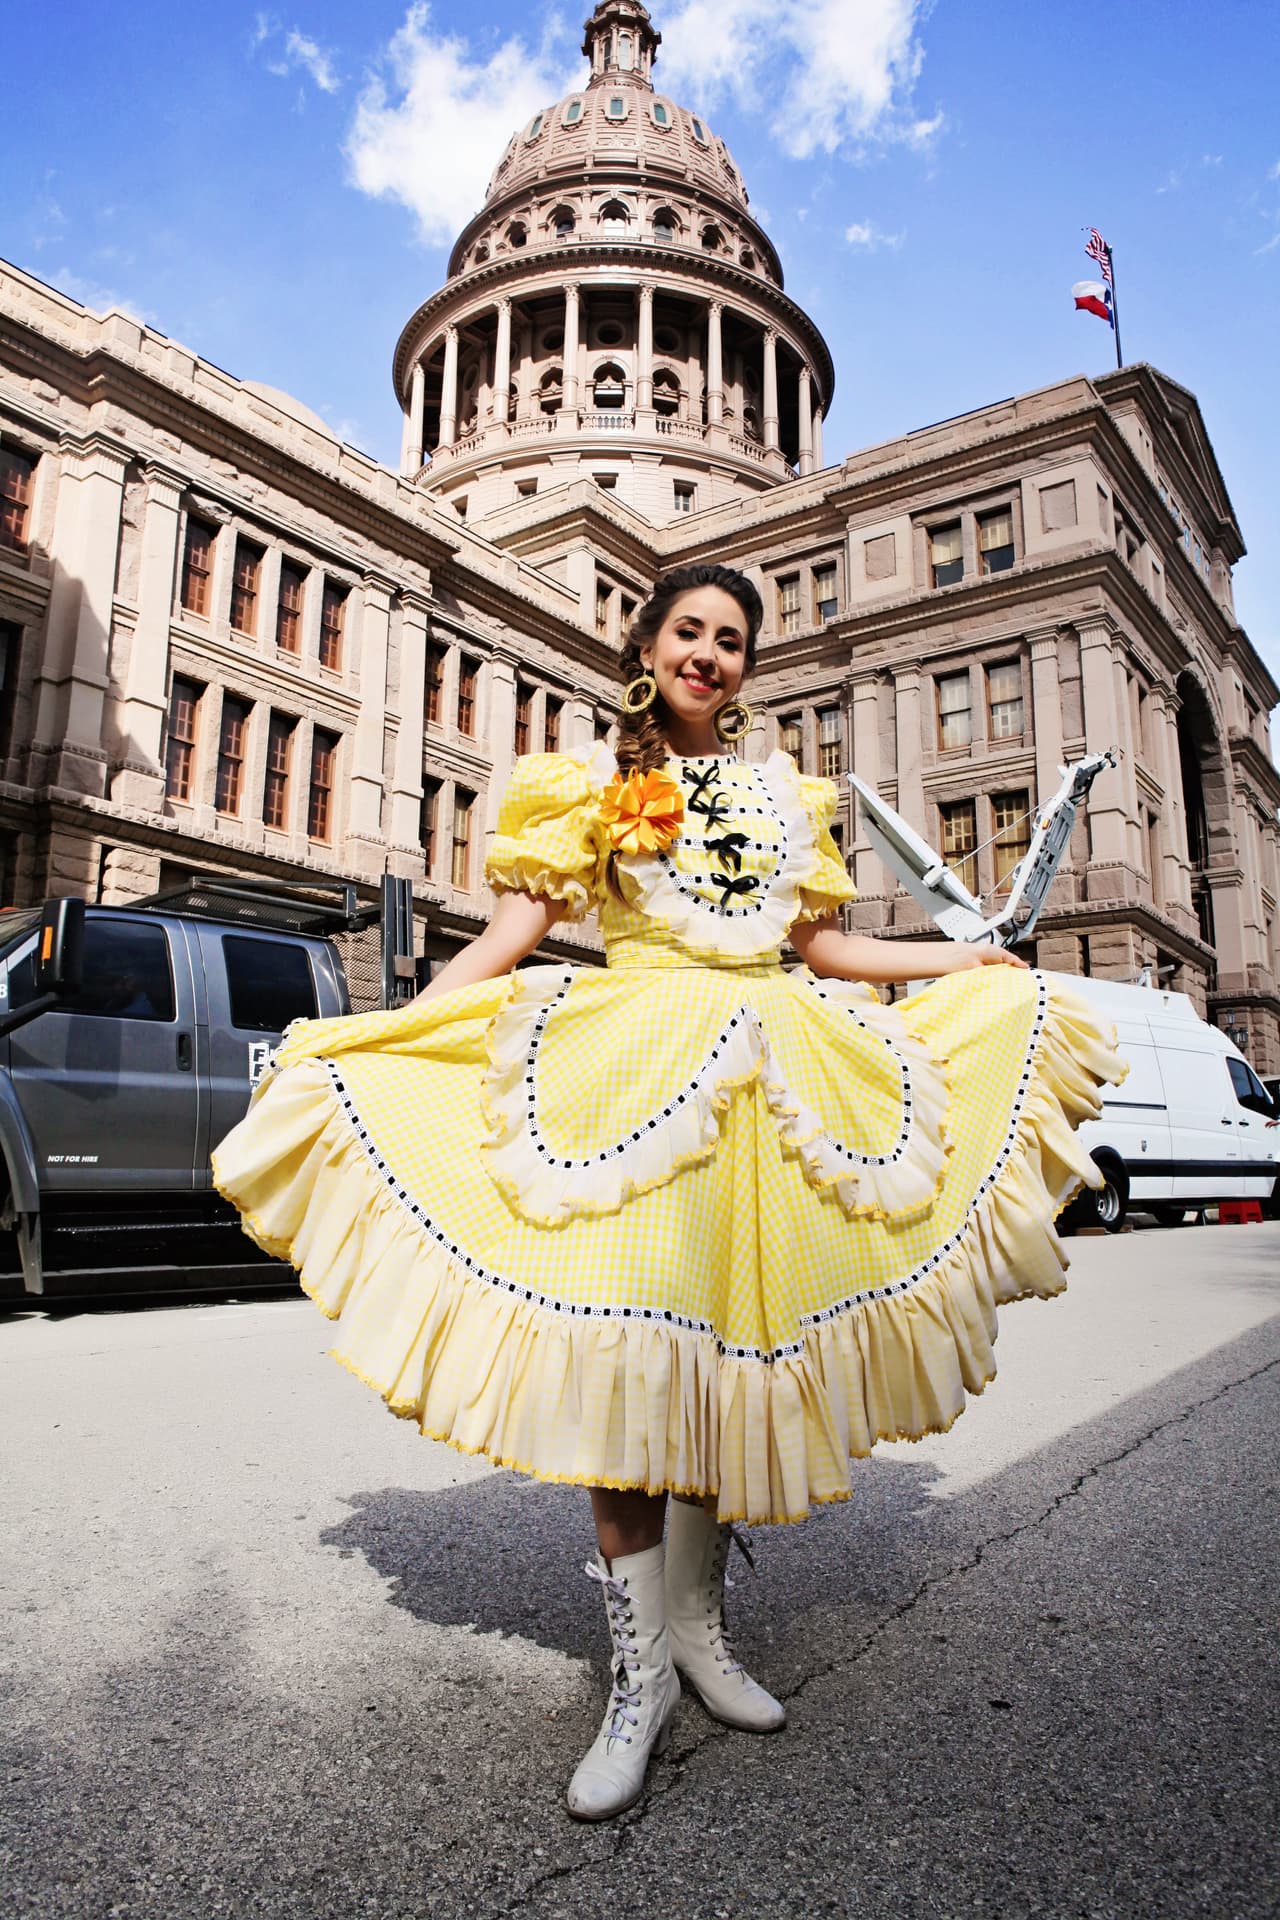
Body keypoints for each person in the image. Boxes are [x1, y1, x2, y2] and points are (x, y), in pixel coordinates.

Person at [213, 563, 1123, 1821]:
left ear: (747, 666)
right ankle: (637, 1683)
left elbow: (818, 948)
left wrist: (960, 957)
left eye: (731, 640)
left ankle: (698, 1634)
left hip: (773, 1082)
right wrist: (384, 1029)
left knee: (713, 1368)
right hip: (629, 1080)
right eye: (688, 631)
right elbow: (507, 940)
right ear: (644, 645)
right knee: (628, 1375)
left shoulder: (784, 793)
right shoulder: (579, 781)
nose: (708, 654)